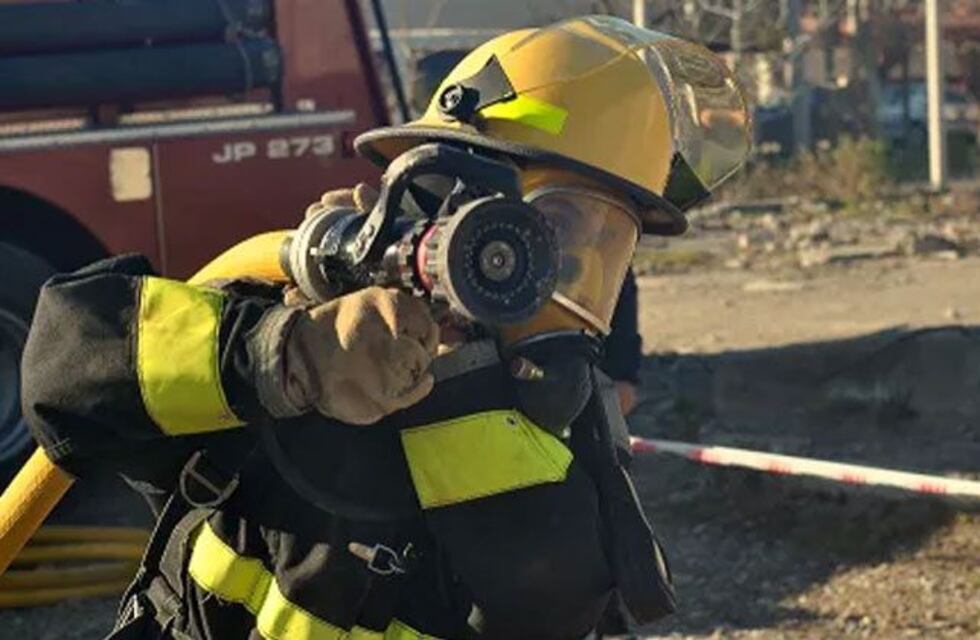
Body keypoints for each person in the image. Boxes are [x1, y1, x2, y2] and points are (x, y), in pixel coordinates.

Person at [21, 16, 750, 640]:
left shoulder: (557, 435)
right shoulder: (288, 349)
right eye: (555, 230)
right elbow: (65, 368)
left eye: (608, 246)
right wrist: (284, 357)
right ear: (446, 201)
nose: (572, 277)